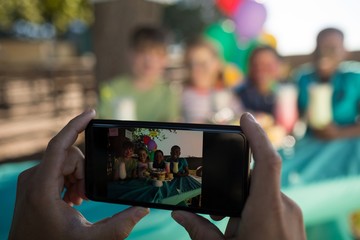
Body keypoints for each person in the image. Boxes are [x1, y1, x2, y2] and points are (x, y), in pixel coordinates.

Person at [9, 110, 305, 239]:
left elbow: (172, 170)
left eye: (171, 154)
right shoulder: (148, 160)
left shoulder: (173, 162)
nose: (170, 155)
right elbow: (151, 168)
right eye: (167, 154)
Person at [280, 28, 360, 187]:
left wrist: (338, 133)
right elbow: (294, 118)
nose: (324, 53)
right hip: (311, 142)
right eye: (319, 48)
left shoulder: (355, 78)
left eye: (331, 48)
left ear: (344, 52)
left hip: (349, 144)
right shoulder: (303, 77)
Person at [98, 26, 180, 122]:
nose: (149, 60)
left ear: (165, 59)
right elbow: (105, 126)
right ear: (130, 54)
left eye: (157, 54)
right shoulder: (110, 89)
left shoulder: (169, 93)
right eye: (142, 52)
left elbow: (172, 128)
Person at [181, 37, 241, 124]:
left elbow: (239, 117)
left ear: (217, 65)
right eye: (191, 64)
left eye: (203, 64)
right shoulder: (180, 97)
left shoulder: (226, 96)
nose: (197, 69)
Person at [235, 45, 283, 115]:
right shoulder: (239, 95)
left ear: (278, 66)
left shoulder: (287, 93)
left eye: (267, 65)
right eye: (255, 65)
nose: (260, 70)